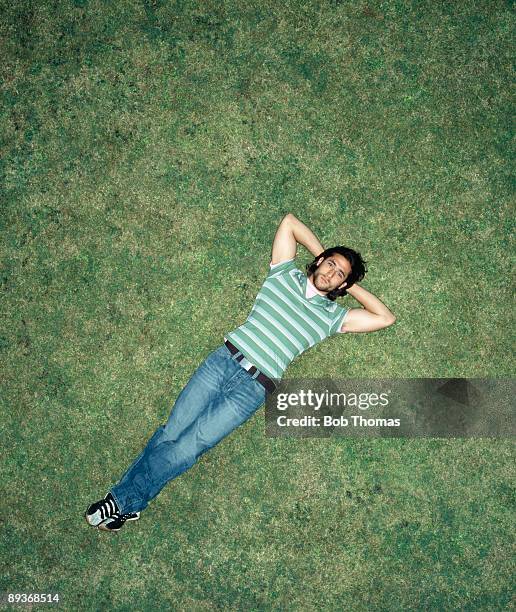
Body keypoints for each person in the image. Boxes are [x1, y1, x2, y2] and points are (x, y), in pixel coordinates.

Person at [85, 213, 396, 531]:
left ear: (343, 284)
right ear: (319, 261)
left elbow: (385, 318)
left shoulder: (332, 317)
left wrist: (350, 287)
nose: (331, 272)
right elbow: (290, 223)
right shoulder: (282, 274)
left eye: (339, 274)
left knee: (189, 447)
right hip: (222, 362)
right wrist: (323, 256)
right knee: (171, 433)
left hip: (252, 389)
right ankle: (128, 506)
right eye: (330, 263)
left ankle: (119, 501)